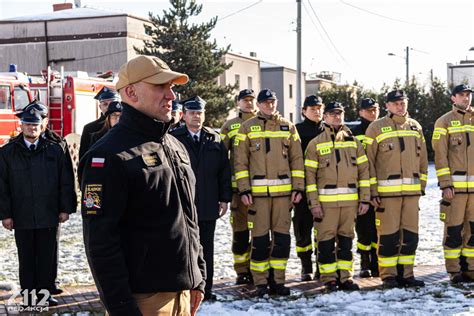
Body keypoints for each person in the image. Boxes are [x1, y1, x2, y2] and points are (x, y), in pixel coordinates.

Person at [78, 55, 206, 316]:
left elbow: (188, 218)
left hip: (183, 294)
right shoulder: (108, 155)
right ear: (131, 92)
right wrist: (122, 307)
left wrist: (198, 277)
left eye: (171, 87)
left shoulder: (174, 145)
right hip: (143, 301)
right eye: (160, 86)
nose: (170, 95)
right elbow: (100, 241)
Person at [0, 103, 76, 307]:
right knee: (26, 258)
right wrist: (5, 214)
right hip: (22, 214)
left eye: (35, 125)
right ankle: (29, 297)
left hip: (48, 213)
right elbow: (2, 186)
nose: (31, 128)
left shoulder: (55, 149)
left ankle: (43, 294)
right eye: (27, 124)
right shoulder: (7, 152)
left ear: (42, 126)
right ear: (21, 125)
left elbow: (66, 180)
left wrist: (65, 208)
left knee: (45, 257)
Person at [234, 88, 304, 297]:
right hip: (257, 197)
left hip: (284, 197)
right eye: (265, 103)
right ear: (259, 105)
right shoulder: (247, 128)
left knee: (282, 240)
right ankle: (261, 282)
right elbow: (240, 162)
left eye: (272, 102)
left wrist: (298, 188)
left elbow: (297, 160)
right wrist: (244, 189)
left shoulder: (288, 127)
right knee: (260, 241)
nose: (269, 106)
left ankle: (278, 281)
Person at [364, 90, 428, 289]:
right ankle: (389, 276)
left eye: (403, 103)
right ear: (387, 106)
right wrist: (372, 191)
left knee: (410, 236)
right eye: (396, 103)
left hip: (411, 195)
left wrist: (421, 187)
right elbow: (368, 163)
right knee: (388, 237)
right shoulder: (375, 128)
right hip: (386, 196)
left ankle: (407, 275)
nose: (400, 106)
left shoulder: (415, 126)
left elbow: (423, 160)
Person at [171, 96, 232, 301]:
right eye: (192, 113)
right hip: (182, 205)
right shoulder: (174, 138)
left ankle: (206, 288)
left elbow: (224, 171)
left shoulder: (214, 138)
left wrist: (224, 199)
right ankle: (184, 289)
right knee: (182, 248)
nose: (196, 117)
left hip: (207, 204)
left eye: (200, 113)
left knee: (206, 248)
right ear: (184, 115)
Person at [304, 101, 370, 292]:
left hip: (349, 205)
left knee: (346, 242)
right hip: (325, 206)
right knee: (325, 243)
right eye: (332, 114)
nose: (336, 117)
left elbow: (363, 173)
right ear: (325, 117)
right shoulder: (315, 144)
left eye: (339, 114)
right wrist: (313, 204)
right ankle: (329, 279)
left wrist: (364, 199)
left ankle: (346, 277)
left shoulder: (354, 142)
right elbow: (309, 177)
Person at [432, 84, 474, 284]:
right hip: (454, 190)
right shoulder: (443, 122)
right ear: (453, 98)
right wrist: (445, 184)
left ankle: (471, 268)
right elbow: (440, 156)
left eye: (468, 95)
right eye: (462, 95)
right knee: (454, 231)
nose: (466, 99)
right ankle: (454, 270)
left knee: (472, 231)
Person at [219, 89, 256, 285]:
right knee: (240, 232)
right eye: (245, 100)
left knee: (260, 233)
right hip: (237, 193)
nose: (249, 103)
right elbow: (221, 159)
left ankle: (259, 269)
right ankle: (242, 270)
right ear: (238, 103)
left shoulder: (263, 122)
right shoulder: (230, 126)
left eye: (251, 100)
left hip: (261, 190)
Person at [293, 94, 325, 281]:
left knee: (324, 229)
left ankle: (323, 265)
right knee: (303, 228)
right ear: (304, 111)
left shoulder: (328, 131)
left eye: (319, 108)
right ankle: (306, 267)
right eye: (313, 109)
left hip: (325, 189)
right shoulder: (296, 132)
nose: (317, 112)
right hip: (303, 189)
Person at [351, 97, 380, 278]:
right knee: (363, 228)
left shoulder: (383, 129)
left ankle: (377, 262)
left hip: (381, 187)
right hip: (361, 187)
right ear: (360, 112)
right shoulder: (354, 133)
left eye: (375, 109)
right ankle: (365, 263)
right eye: (368, 110)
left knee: (379, 228)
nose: (372, 113)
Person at [78, 86, 119, 160]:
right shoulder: (90, 128)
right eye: (105, 104)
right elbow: (83, 157)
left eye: (112, 103)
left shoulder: (125, 126)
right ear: (100, 107)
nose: (108, 107)